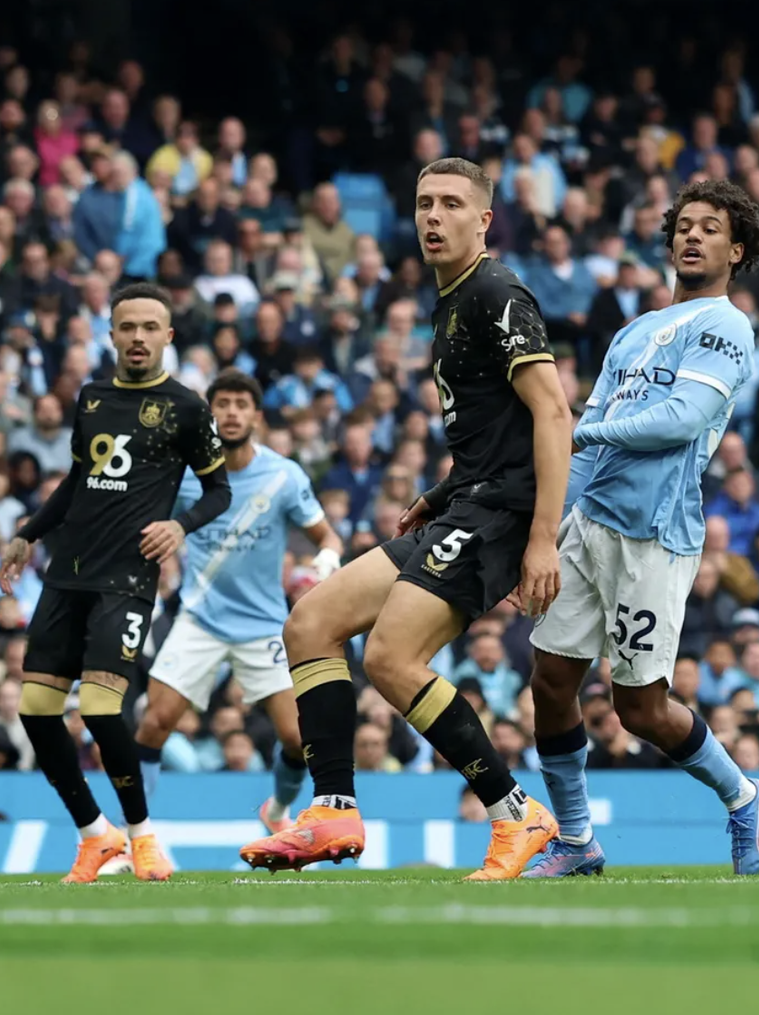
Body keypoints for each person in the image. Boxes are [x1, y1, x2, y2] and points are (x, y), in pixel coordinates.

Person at [241, 157, 570, 880]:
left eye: (451, 203)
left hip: (504, 514)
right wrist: (442, 489)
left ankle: (516, 813)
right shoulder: (450, 300)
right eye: (424, 202)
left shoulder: (494, 290)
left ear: (483, 220)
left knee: (391, 657)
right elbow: (495, 428)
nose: (433, 215)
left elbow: (552, 411)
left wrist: (541, 536)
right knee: (311, 623)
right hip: (468, 501)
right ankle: (331, 807)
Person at [524, 179, 759, 877]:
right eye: (683, 226)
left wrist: (590, 430)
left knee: (639, 707)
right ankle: (577, 841)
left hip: (655, 536)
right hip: (591, 526)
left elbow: (682, 421)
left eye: (710, 228)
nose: (692, 236)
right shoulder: (632, 332)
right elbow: (585, 451)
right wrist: (546, 531)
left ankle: (744, 794)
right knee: (549, 680)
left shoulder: (726, 326)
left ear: (738, 248)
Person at [0, 282, 230, 883]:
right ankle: (93, 835)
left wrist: (180, 527)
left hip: (125, 578)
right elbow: (79, 479)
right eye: (128, 327)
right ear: (111, 334)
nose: (138, 337)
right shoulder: (92, 398)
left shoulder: (185, 407)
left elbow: (219, 490)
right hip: (67, 571)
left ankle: (142, 836)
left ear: (168, 337)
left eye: (151, 327)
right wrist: (28, 533)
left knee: (101, 710)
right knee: (35, 710)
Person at [136, 370, 343, 834]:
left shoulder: (284, 477)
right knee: (153, 725)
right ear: (209, 416)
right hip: (199, 620)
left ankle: (276, 811)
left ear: (257, 416)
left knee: (296, 738)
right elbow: (144, 525)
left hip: (264, 625)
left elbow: (326, 535)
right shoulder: (184, 476)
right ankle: (137, 835)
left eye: (240, 404)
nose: (231, 412)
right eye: (222, 404)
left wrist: (324, 565)